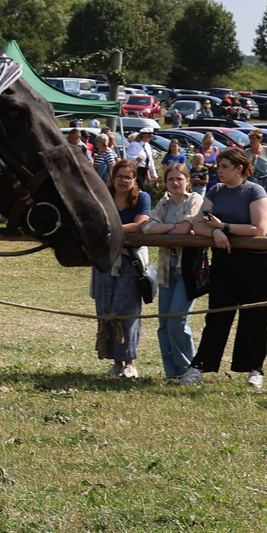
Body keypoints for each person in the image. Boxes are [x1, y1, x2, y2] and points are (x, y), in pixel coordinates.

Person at [185, 148, 267, 388]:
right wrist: (214, 231)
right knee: (217, 315)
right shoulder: (215, 191)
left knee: (254, 316)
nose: (218, 170)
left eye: (224, 166)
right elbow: (198, 224)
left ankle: (255, 369)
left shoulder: (255, 190)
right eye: (219, 166)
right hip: (225, 260)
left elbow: (259, 228)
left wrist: (222, 226)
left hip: (257, 262)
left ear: (239, 169)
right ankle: (200, 367)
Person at [91, 159, 151, 379]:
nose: (123, 181)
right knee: (106, 310)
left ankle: (130, 363)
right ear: (112, 178)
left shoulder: (142, 198)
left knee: (126, 312)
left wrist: (109, 231)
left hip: (130, 261)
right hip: (105, 261)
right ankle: (117, 362)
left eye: (128, 177)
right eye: (119, 176)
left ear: (135, 179)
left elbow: (141, 224)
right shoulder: (103, 197)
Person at [143, 163, 203, 380]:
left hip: (187, 268)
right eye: (171, 179)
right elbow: (148, 227)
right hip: (166, 267)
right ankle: (172, 373)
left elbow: (186, 229)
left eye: (180, 179)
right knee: (164, 323)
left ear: (188, 181)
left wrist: (165, 229)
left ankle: (190, 370)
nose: (175, 183)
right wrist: (172, 228)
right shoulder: (164, 202)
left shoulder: (195, 199)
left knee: (177, 321)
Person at [245, 128, 267, 193]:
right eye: (250, 139)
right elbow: (244, 167)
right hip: (252, 183)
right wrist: (252, 160)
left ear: (260, 139)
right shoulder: (246, 152)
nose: (251, 141)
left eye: (254, 139)